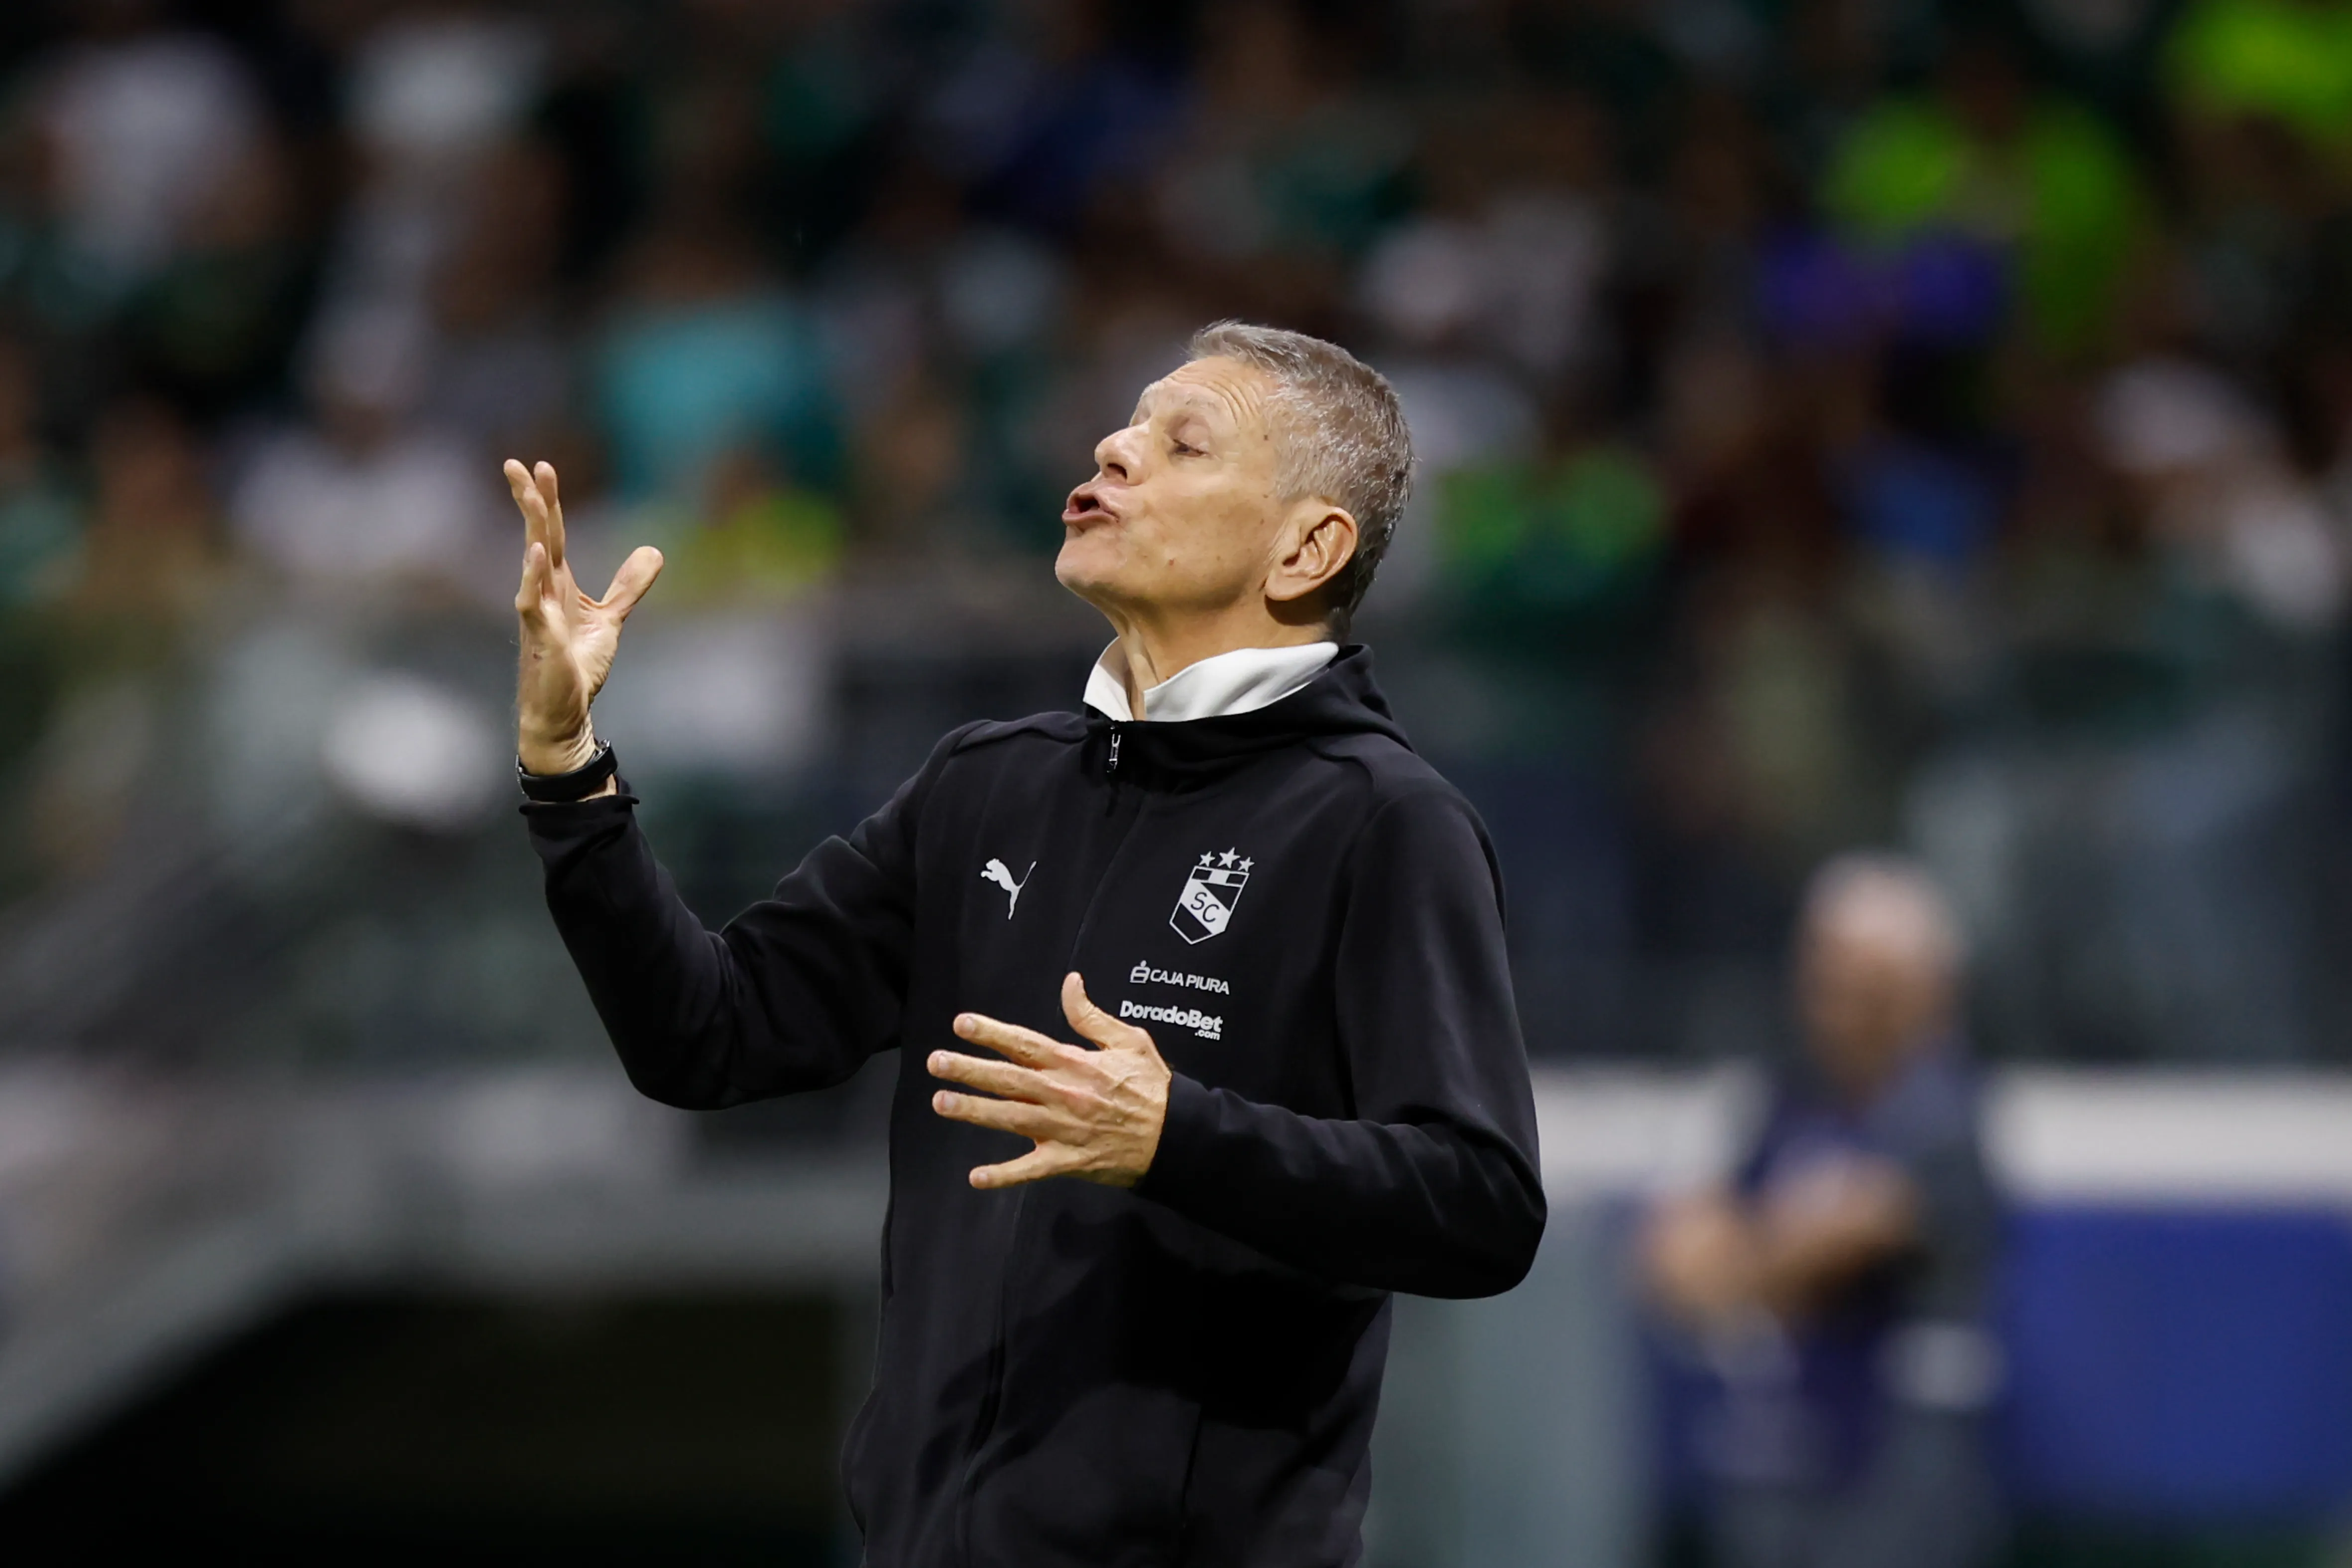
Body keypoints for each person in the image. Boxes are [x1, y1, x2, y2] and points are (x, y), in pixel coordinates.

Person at [505, 321, 1545, 1566]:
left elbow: (1481, 1202)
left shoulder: (1384, 820)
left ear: (1305, 547)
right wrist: (568, 774)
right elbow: (707, 1036)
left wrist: (1176, 1135)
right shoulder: (984, 785)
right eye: (1126, 423)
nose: (1113, 447)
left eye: (1182, 442)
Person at [1643, 854, 2003, 1568]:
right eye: (1822, 977)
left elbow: (1849, 1233)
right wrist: (1767, 1255)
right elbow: (1670, 1256)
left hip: (1894, 1493)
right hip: (1778, 1469)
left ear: (1923, 993)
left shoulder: (1942, 1113)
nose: (1835, 1004)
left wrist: (1746, 1263)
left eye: (1866, 986)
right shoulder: (1783, 1099)